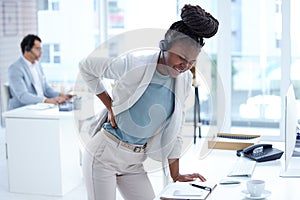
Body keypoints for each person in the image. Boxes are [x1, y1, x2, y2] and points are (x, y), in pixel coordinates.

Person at [80, 4, 219, 200]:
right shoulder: (133, 64)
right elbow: (87, 68)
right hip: (105, 155)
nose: (185, 65)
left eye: (192, 61)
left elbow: (176, 130)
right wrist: (109, 105)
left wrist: (176, 174)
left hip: (134, 161)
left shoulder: (184, 80)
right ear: (164, 46)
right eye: (181, 57)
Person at [7, 34, 73, 110]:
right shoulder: (15, 69)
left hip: (40, 107)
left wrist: (61, 95)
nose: (41, 52)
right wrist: (46, 100)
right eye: (38, 49)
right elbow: (23, 96)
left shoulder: (37, 65)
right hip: (23, 110)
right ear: (27, 49)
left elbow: (46, 90)